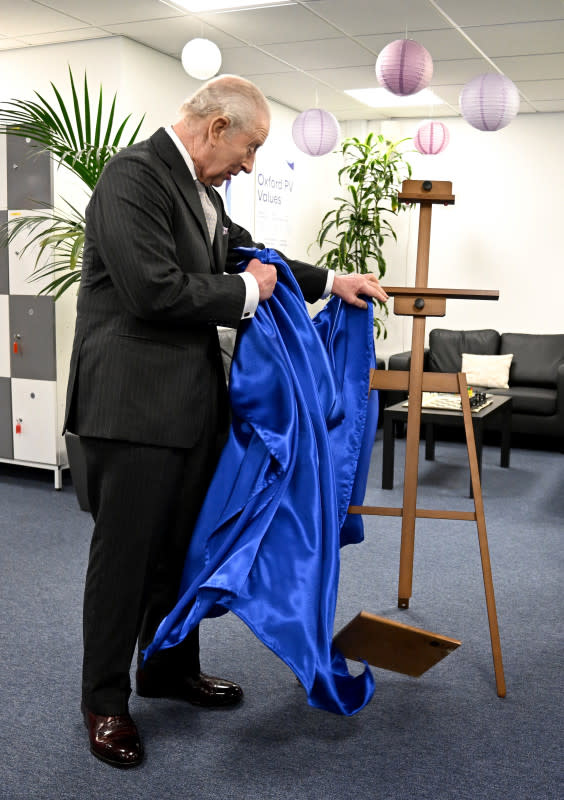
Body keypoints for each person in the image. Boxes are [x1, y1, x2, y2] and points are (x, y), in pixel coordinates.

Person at [64, 73, 388, 769]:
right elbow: (152, 290)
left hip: (189, 409)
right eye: (251, 147)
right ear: (216, 128)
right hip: (132, 408)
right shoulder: (132, 178)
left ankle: (166, 669)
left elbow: (258, 260)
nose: (250, 163)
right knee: (125, 561)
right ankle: (104, 701)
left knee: (181, 551)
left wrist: (333, 283)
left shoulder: (203, 194)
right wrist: (247, 291)